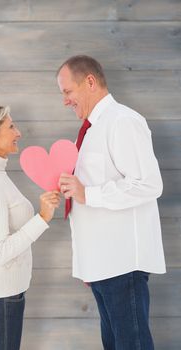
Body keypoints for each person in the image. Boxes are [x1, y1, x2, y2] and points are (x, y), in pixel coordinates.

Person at [57, 55, 166, 350]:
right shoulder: (93, 129)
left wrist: (86, 193)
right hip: (102, 264)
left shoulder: (122, 121)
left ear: (90, 82)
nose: (65, 101)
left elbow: (148, 184)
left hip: (121, 263)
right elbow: (87, 193)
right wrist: (87, 263)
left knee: (131, 344)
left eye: (67, 91)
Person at [0, 105, 60, 350]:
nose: (18, 133)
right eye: (11, 127)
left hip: (7, 295)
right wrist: (42, 218)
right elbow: (0, 251)